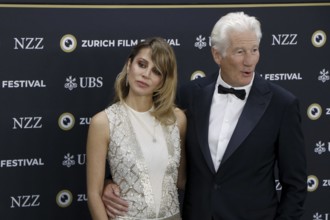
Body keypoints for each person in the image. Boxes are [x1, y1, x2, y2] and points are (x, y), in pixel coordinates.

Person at [102, 12, 307, 219]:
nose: (249, 61)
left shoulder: (282, 104)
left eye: (254, 50)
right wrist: (112, 180)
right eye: (240, 52)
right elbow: (148, 141)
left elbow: (295, 184)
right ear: (217, 55)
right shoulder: (188, 95)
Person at [86, 37, 186, 220]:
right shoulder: (103, 122)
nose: (146, 74)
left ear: (163, 81)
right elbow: (94, 194)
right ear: (129, 64)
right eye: (142, 64)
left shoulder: (177, 120)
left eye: (156, 71)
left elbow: (182, 179)